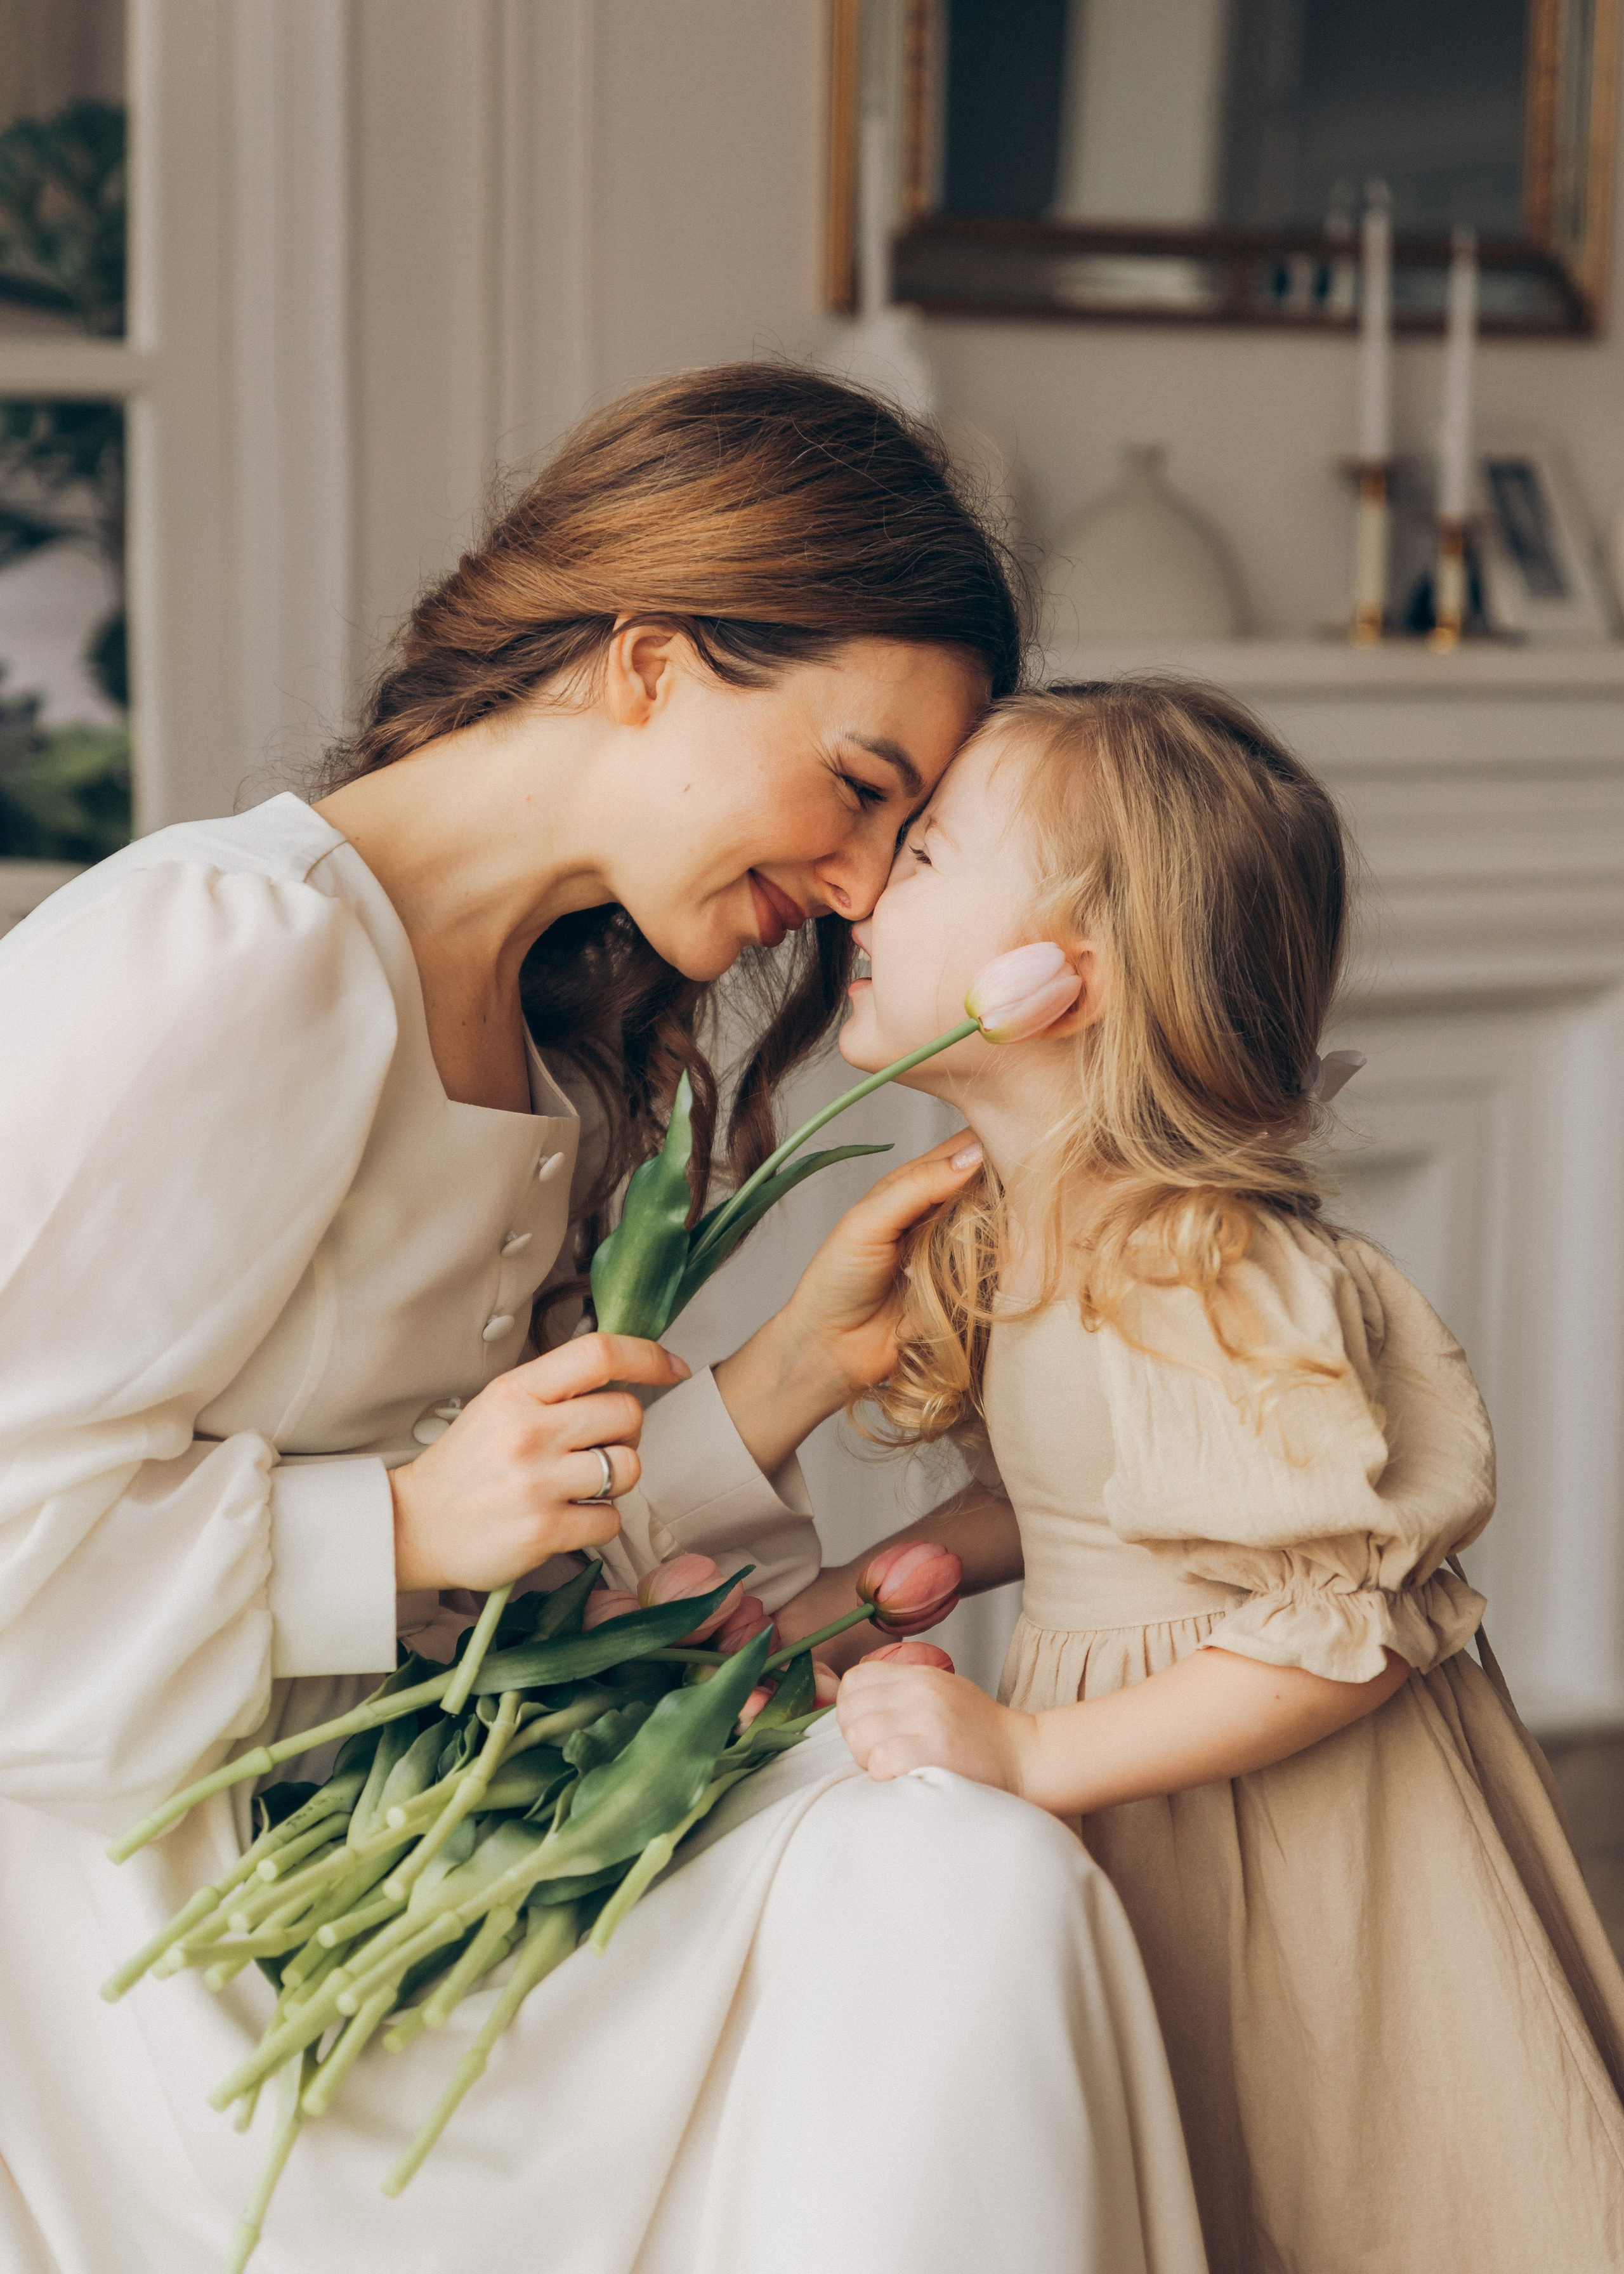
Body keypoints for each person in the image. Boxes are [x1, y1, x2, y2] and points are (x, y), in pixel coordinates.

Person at [0, 372, 1207, 2274]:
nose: (854, 887)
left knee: (959, 1863)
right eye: (863, 788)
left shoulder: (551, 1030)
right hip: (175, 1941)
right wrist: (395, 1532)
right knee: (948, 1897)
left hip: (433, 1811)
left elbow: (505, 1548)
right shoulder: (230, 954)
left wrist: (784, 1380)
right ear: (652, 661)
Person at [779, 678, 1624, 2274]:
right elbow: (1084, 1501)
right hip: (1145, 1772)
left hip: (1277, 1813)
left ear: (1056, 980)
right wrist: (825, 1610)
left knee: (1328, 2173)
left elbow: (1338, 1629)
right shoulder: (1031, 1221)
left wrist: (1029, 1752)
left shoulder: (1192, 1263)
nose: (867, 879)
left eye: (929, 851)